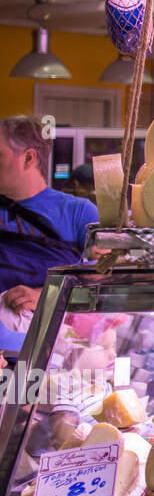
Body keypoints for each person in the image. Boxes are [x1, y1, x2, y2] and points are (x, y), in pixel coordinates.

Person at [1, 117, 98, 353]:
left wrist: (45, 295)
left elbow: (97, 285)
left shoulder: (79, 212)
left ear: (29, 158)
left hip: (47, 351)